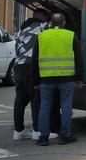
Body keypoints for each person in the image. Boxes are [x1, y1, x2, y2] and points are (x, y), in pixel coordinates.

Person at [33, 12, 82, 145]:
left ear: (50, 23)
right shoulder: (71, 35)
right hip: (67, 78)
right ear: (64, 23)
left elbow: (35, 60)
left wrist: (36, 80)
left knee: (45, 107)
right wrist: (79, 78)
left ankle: (43, 137)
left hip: (47, 79)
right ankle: (65, 136)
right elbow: (78, 58)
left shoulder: (41, 37)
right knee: (66, 106)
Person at [11, 9, 60, 140]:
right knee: (36, 99)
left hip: (18, 67)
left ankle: (18, 131)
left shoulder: (22, 30)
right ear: (43, 17)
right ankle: (37, 131)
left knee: (20, 99)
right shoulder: (43, 27)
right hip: (31, 66)